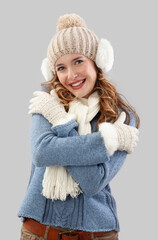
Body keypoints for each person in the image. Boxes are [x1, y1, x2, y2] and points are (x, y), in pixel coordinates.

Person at [18, 13, 140, 240]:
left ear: (97, 60)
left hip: (96, 234)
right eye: (61, 68)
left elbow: (92, 181)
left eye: (78, 61)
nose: (71, 75)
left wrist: (62, 127)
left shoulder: (122, 116)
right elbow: (42, 152)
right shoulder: (47, 100)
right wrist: (107, 139)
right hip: (38, 233)